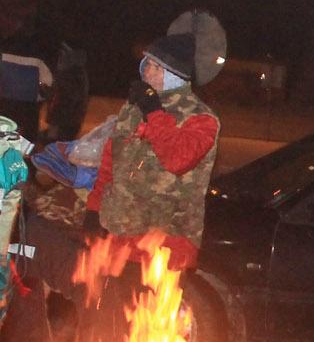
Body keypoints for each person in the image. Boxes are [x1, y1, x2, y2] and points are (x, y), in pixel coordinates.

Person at [82, 23, 223, 272]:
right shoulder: (133, 108)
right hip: (121, 236)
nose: (147, 71)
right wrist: (94, 209)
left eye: (156, 67)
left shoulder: (201, 118)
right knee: (108, 309)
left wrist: (154, 112)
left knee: (152, 311)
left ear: (174, 75)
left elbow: (178, 159)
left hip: (166, 243)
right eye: (146, 63)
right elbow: (110, 162)